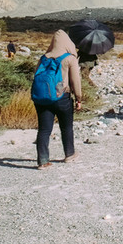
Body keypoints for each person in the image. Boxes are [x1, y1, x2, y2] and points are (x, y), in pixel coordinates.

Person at [34, 30, 82, 169]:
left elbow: (36, 76)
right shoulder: (69, 58)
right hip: (62, 97)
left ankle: (43, 161)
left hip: (43, 99)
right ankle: (69, 154)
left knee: (44, 130)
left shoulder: (44, 58)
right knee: (66, 127)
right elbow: (75, 81)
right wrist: (78, 98)